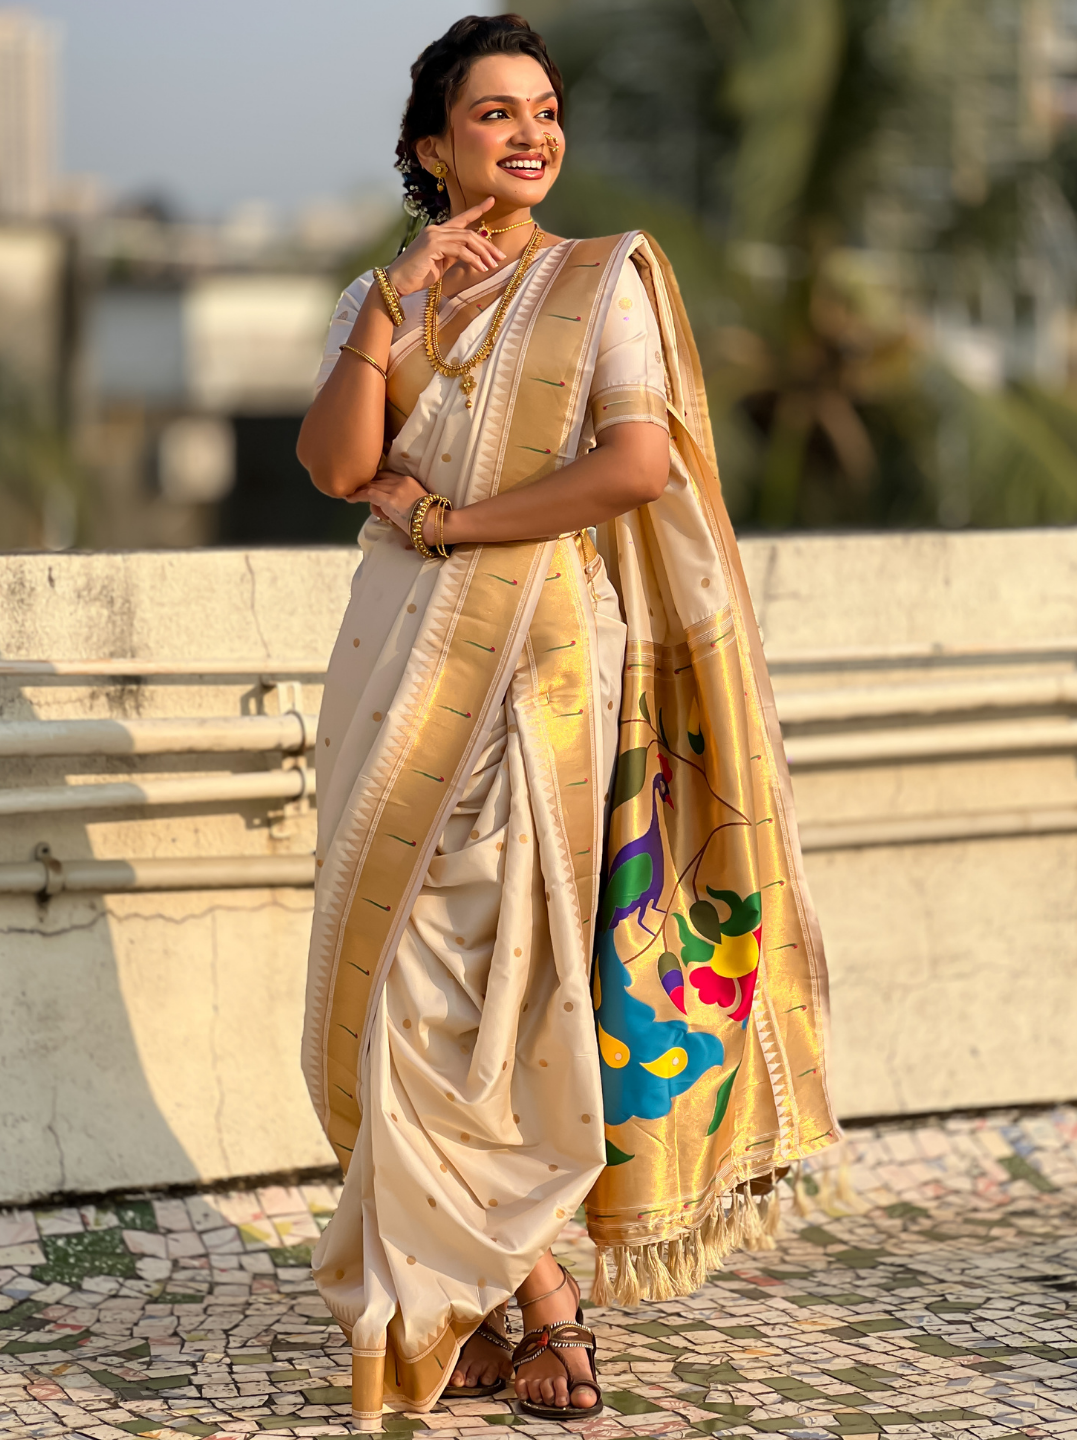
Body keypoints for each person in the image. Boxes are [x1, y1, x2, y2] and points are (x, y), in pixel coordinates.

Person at [296, 14, 838, 1432]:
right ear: (430, 146)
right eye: (493, 114)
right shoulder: (393, 289)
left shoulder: (604, 285)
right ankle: (506, 1299)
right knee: (403, 987)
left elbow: (634, 464)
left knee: (506, 977)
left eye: (544, 110)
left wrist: (460, 523)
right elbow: (338, 461)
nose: (528, 134)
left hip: (534, 668)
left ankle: (530, 1303)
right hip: (390, 665)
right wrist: (391, 306)